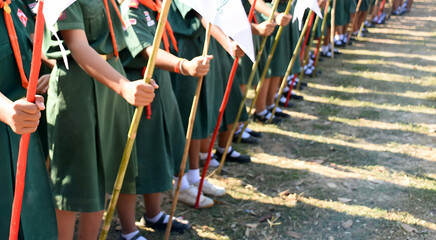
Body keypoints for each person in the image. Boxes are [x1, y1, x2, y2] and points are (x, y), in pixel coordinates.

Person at [43, 0, 157, 239]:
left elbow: (117, 40)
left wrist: (135, 83)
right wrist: (124, 86)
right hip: (78, 87)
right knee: (72, 181)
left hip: (109, 80)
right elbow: (77, 46)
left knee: (100, 176)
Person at [115, 0, 213, 238]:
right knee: (133, 161)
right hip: (138, 87)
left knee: (158, 151)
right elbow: (147, 49)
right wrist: (183, 65)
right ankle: (128, 229)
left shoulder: (154, 7)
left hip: (160, 86)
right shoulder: (131, 8)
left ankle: (154, 213)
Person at [0, 0, 57, 238]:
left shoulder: (14, 4)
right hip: (10, 121)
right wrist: (7, 110)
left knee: (32, 221)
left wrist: (57, 65)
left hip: (23, 128)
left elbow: (29, 46)